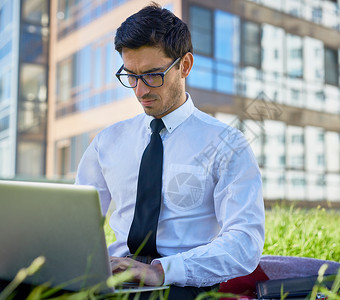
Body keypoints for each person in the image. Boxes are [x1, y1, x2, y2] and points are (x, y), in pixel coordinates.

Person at [75, 2, 265, 299]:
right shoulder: (107, 141)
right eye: (131, 76)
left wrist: (162, 270)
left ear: (185, 66)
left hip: (184, 284)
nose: (140, 91)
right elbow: (75, 224)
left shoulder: (228, 144)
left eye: (152, 75)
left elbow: (245, 243)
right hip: (112, 279)